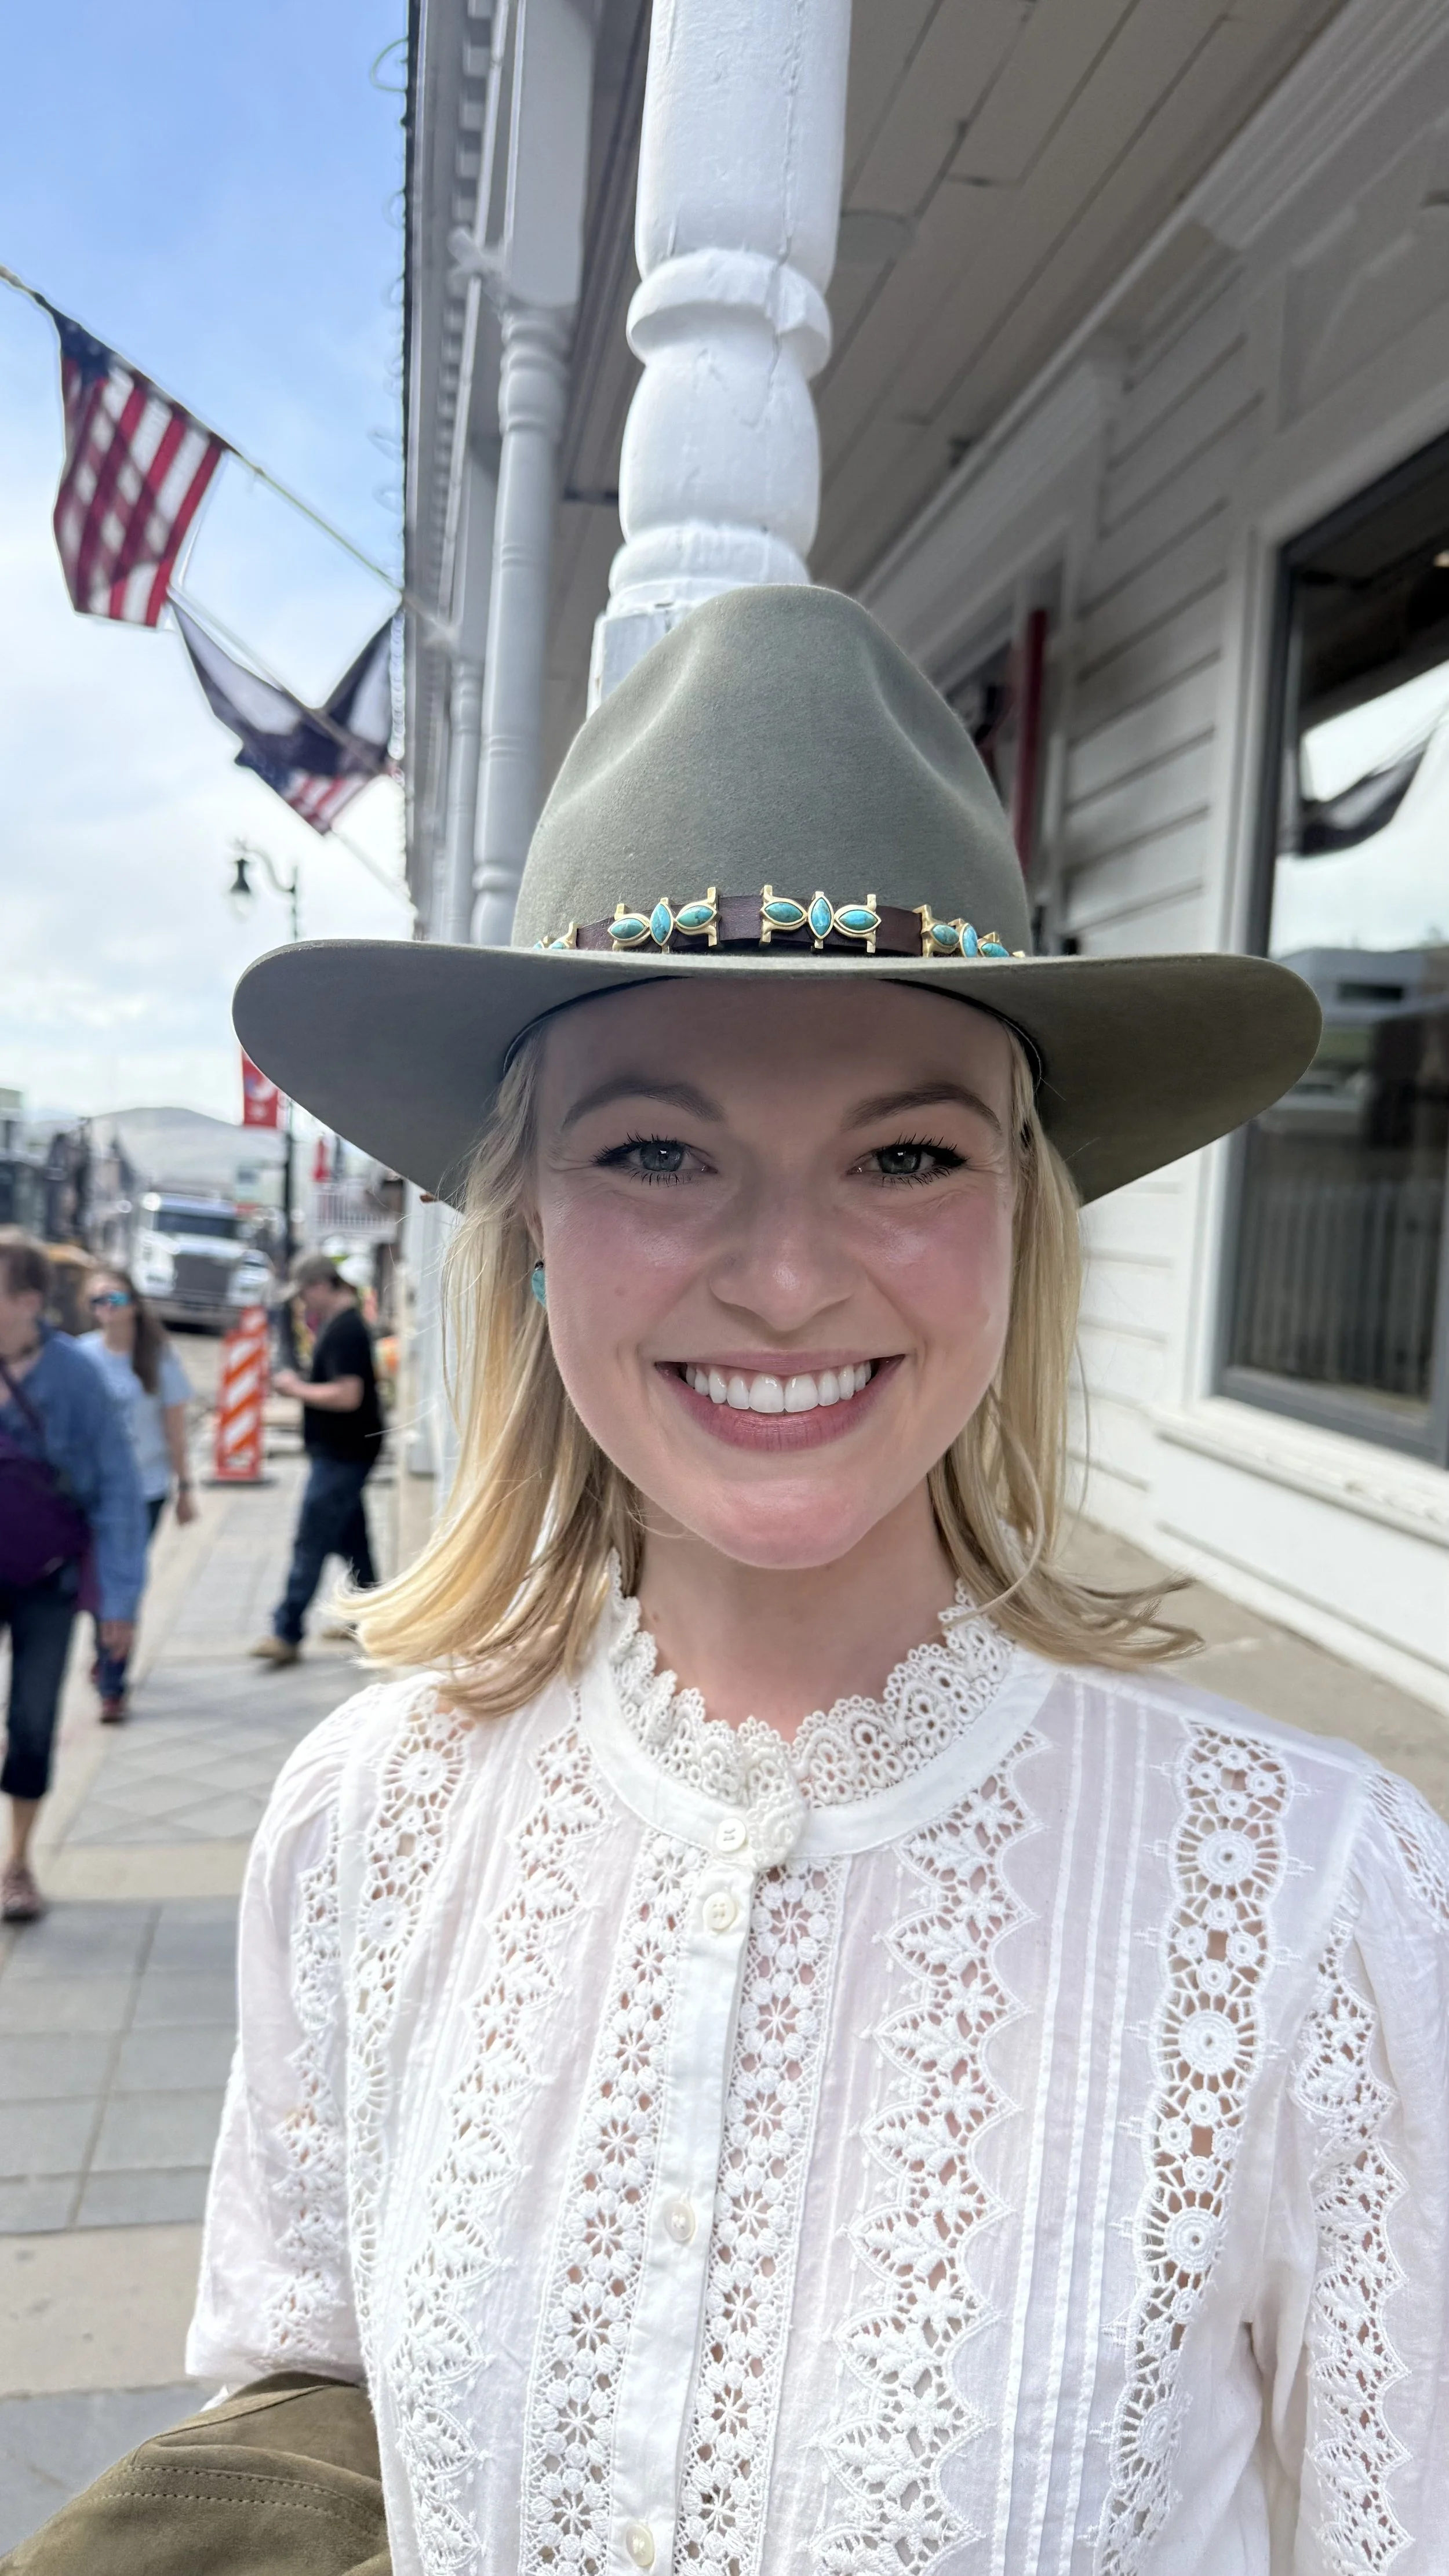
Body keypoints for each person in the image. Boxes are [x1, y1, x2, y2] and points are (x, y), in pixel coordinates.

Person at [20, 586, 1437, 2571]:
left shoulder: (1308, 1900)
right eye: (661, 1153)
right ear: (531, 1231)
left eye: (908, 1157)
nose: (785, 1275)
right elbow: (316, 2445)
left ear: (1024, 1228)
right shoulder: (366, 1822)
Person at [0, 1231, 147, 1923]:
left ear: (29, 1301)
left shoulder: (75, 1378)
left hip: (46, 1581)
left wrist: (119, 1601)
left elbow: (117, 1489)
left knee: (31, 1721)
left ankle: (18, 1861)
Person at [77, 1265, 197, 1720]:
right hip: (93, 1491)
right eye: (97, 1301)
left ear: (134, 1304)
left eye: (116, 1298)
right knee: (100, 1579)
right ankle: (107, 1651)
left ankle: (113, 1682)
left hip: (145, 1491)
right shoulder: (81, 1357)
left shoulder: (158, 1358)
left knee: (122, 1580)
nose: (107, 1308)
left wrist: (185, 1488)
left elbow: (175, 1431)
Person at [250, 1256, 381, 1667]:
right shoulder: (343, 1325)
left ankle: (287, 1630)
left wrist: (296, 1389)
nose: (304, 1303)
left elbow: (348, 1395)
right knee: (351, 1541)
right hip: (343, 1451)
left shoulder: (345, 1331)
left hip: (343, 1453)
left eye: (306, 1293)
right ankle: (371, 1618)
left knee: (312, 1539)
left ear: (324, 1285)